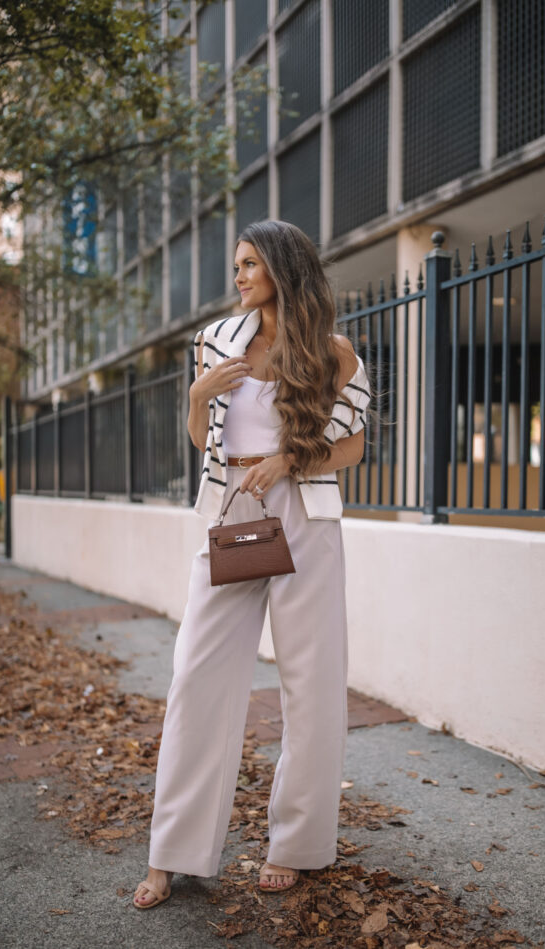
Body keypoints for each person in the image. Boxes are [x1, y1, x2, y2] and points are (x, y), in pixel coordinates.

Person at [133, 219, 371, 909]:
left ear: (282, 267)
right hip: (232, 512)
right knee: (197, 675)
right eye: (235, 265)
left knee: (312, 682)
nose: (237, 276)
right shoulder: (215, 341)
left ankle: (295, 844)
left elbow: (350, 448)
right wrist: (197, 395)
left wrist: (289, 459)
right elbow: (201, 443)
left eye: (248, 264)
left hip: (305, 517)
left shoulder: (333, 353)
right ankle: (171, 850)